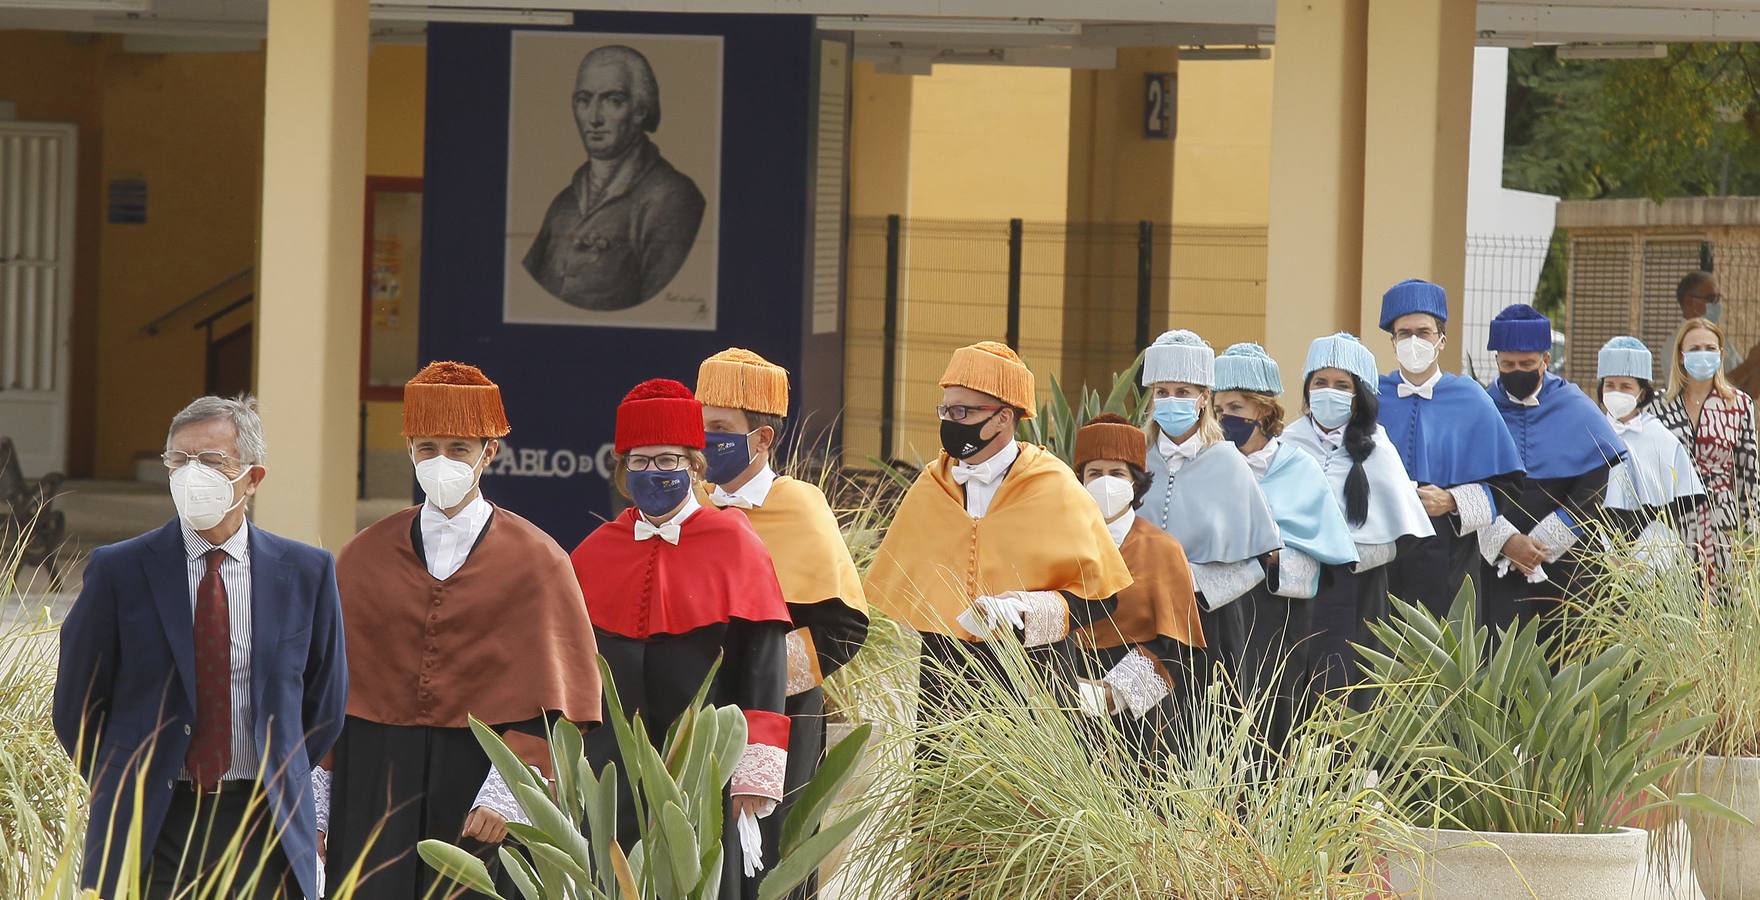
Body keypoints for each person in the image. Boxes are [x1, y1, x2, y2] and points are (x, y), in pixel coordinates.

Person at [320, 362, 602, 899]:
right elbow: (331, 689)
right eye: (427, 448)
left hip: (482, 778)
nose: (440, 461)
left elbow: (561, 702)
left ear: (488, 453)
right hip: (376, 779)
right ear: (409, 451)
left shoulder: (539, 560)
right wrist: (318, 793)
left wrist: (511, 788)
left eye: (458, 448)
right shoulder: (361, 556)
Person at [53, 395, 347, 900]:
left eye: (210, 461)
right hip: (155, 822)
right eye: (178, 460)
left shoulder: (307, 572)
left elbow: (325, 705)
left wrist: (279, 770)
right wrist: (126, 779)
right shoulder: (119, 571)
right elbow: (77, 704)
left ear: (253, 478)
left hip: (265, 821)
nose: (191, 475)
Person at [571, 379, 793, 898]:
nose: (655, 473)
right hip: (613, 766)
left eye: (669, 460)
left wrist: (754, 775)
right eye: (642, 462)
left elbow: (763, 664)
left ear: (695, 466)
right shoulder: (598, 548)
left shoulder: (735, 542)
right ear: (624, 471)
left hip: (705, 764)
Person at [864, 341, 1130, 716]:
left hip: (1035, 686)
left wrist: (1026, 609)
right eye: (945, 409)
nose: (949, 422)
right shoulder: (932, 485)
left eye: (961, 411)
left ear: (1003, 418)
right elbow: (906, 587)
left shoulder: (1056, 486)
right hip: (946, 687)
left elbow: (1103, 599)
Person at [695, 347, 869, 900]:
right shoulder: (687, 507)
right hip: (690, 712)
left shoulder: (801, 507)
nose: (704, 441)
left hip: (783, 717)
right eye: (699, 427)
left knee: (769, 857)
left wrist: (754, 682)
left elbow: (841, 629)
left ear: (762, 438)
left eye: (719, 428)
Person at [1211, 342, 1359, 742]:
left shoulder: (1299, 469)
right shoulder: (1207, 467)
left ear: (1262, 409)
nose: (1226, 419)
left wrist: (1272, 559)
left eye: (1236, 409)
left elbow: (1324, 558)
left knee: (1270, 720)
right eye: (1219, 409)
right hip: (1214, 616)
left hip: (1274, 620)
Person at [1282, 334, 1433, 710]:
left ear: (1359, 394)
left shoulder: (1380, 450)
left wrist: (1340, 557)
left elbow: (1403, 536)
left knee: (1349, 698)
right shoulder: (1287, 445)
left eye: (1341, 385)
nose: (1328, 392)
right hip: (1289, 596)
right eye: (1320, 383)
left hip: (1357, 597)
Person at [1136, 330, 1282, 696]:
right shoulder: (1134, 458)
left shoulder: (1228, 462)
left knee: (1203, 723)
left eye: (1183, 392)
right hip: (1139, 616)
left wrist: (1196, 584)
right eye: (1162, 392)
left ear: (1203, 398)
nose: (1172, 400)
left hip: (1210, 623)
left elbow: (1258, 560)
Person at [1373, 279, 1525, 618]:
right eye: (1404, 333)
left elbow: (1508, 487)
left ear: (1441, 340)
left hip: (1448, 558)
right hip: (1381, 554)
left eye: (1423, 332)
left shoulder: (1471, 399)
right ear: (1393, 341)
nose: (1414, 342)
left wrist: (1452, 500)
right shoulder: (1373, 397)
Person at [1478, 304, 1627, 643]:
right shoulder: (1482, 408)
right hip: (1498, 562)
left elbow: (1593, 485)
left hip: (1567, 565)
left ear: (1545, 360)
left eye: (1527, 364)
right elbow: (1470, 484)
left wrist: (1543, 545)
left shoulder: (1575, 406)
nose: (1517, 371)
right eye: (1508, 365)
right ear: (1497, 361)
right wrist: (1508, 542)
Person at [523, 44, 707, 311]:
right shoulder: (563, 204)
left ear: (640, 110)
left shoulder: (673, 197)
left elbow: (663, 311)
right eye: (584, 100)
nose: (594, 118)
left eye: (613, 101)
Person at [1067, 413, 1204, 760]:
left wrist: (1115, 691)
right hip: (1066, 699)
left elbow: (1177, 646)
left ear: (1135, 482)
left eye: (1117, 474)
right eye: (1094, 473)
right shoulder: (1060, 543)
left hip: (1142, 715)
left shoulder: (1162, 548)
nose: (1105, 483)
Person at [1652, 318, 1760, 590]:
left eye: (1710, 348)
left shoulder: (1738, 405)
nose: (1704, 354)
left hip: (1724, 523)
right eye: (1695, 347)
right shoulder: (1658, 407)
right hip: (1672, 521)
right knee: (1676, 608)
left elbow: (1749, 475)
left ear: (1721, 354)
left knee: (1725, 609)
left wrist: (1752, 539)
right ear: (1681, 354)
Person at [1595, 336, 1703, 564]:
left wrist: (1648, 546)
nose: (1617, 392)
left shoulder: (1660, 436)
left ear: (1642, 393)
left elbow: (1677, 503)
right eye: (1610, 385)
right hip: (1597, 540)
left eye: (1626, 387)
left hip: (1651, 546)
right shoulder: (1589, 431)